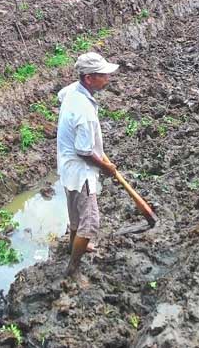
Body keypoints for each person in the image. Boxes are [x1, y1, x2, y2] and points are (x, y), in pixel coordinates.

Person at [56, 52, 119, 278]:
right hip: (80, 170)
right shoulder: (84, 111)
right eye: (103, 75)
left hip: (66, 166)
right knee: (90, 222)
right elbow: (84, 151)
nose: (108, 79)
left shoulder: (72, 90)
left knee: (75, 212)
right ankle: (73, 268)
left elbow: (60, 95)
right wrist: (106, 167)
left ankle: (73, 245)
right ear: (89, 78)